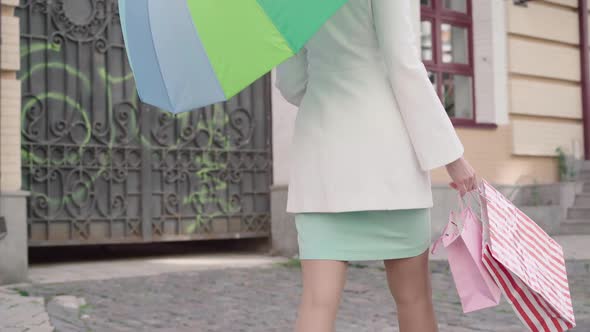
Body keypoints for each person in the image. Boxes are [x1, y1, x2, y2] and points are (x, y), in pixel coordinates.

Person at [275, 0, 478, 331]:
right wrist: (454, 160)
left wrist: (330, 86)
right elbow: (404, 65)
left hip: (323, 161)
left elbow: (292, 83)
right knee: (413, 298)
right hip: (389, 159)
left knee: (317, 302)